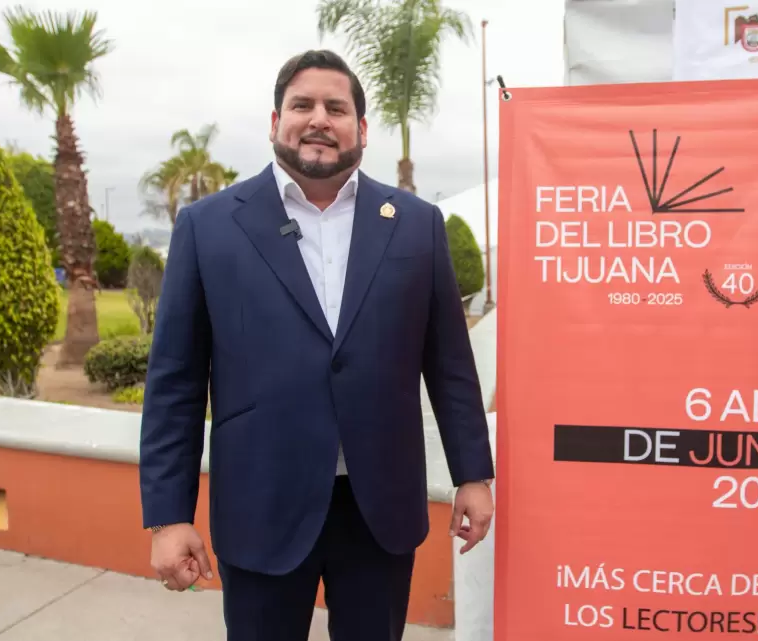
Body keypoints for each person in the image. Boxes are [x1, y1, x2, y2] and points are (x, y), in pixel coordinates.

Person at [138, 49, 495, 641]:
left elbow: (450, 364)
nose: (319, 119)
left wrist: (473, 475)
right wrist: (168, 517)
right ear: (275, 121)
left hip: (380, 506)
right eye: (302, 104)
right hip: (262, 504)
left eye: (337, 106)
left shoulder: (415, 224)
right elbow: (175, 382)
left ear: (362, 128)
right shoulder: (207, 228)